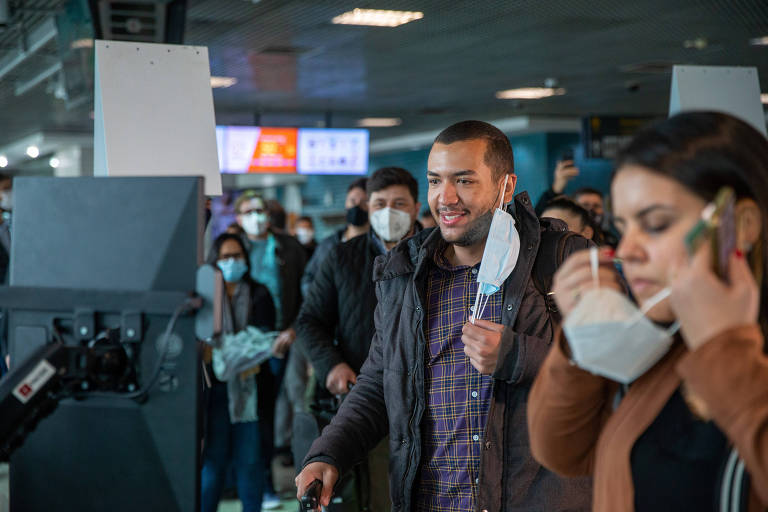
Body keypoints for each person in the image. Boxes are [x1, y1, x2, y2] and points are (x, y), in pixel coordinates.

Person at [295, 120, 592, 511]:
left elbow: (612, 372)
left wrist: (517, 356)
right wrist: (328, 454)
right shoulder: (403, 275)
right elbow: (379, 384)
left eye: (464, 181)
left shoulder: (562, 260)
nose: (446, 197)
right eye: (435, 181)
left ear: (505, 186)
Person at [527, 111, 768, 511]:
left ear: (739, 225)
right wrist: (589, 336)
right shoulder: (661, 342)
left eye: (655, 224)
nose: (627, 251)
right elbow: (561, 451)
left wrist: (725, 348)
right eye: (623, 228)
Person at [294, 167, 422, 511]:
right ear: (368, 208)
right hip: (363, 391)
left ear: (416, 207)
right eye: (379, 203)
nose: (389, 211)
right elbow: (309, 320)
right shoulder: (342, 257)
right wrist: (331, 365)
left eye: (399, 203)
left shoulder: (437, 256)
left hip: (424, 396)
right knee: (367, 490)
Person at [235, 191, 307, 509]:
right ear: (238, 217)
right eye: (248, 211)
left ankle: (264, 483)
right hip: (242, 346)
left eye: (260, 210)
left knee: (268, 410)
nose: (256, 216)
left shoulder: (289, 248)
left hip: (281, 340)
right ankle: (251, 481)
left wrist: (292, 329)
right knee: (248, 414)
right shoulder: (233, 248)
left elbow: (307, 293)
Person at [202, 233, 276, 512]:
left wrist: (227, 353)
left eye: (237, 255)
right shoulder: (205, 296)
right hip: (215, 390)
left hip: (251, 390)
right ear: (215, 261)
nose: (232, 262)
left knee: (250, 461)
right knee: (214, 461)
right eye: (225, 257)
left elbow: (264, 341)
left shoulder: (259, 292)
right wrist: (243, 351)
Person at [301, 178, 369, 296]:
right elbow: (309, 279)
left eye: (364, 202)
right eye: (352, 201)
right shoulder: (329, 245)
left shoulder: (378, 245)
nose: (357, 206)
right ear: (346, 203)